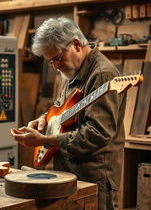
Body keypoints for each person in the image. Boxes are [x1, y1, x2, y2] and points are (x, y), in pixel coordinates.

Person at [11, 17, 126, 210]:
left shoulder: (102, 75)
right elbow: (58, 109)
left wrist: (45, 141)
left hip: (93, 179)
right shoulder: (72, 71)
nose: (55, 66)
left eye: (57, 58)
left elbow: (97, 134)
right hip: (68, 173)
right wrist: (42, 121)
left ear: (75, 44)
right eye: (50, 62)